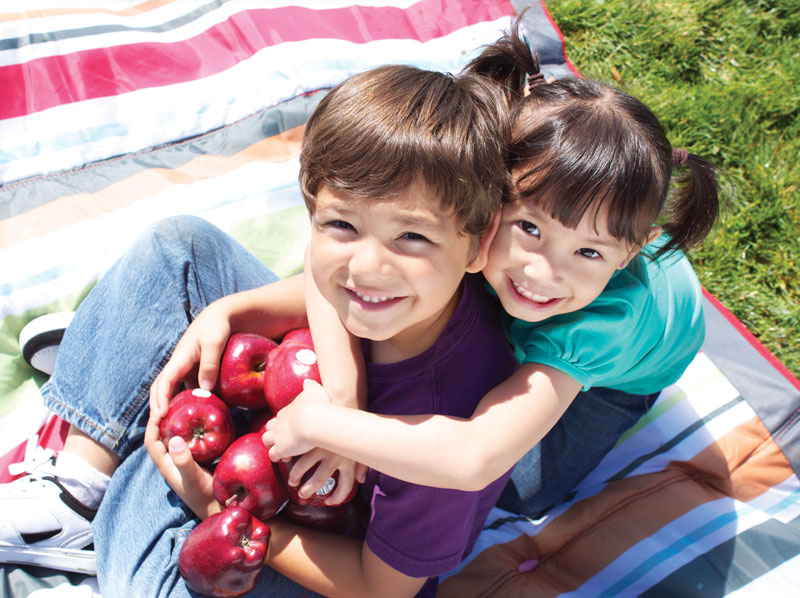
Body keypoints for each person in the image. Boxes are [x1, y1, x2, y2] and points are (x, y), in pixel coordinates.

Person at [0, 64, 517, 597]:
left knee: (155, 565)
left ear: (477, 247)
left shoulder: (442, 427)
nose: (367, 267)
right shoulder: (399, 290)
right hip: (283, 415)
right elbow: (324, 283)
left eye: (410, 237)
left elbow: (379, 588)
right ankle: (74, 495)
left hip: (323, 542)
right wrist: (225, 311)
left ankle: (125, 399)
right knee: (179, 249)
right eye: (342, 225)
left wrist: (220, 509)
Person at [264, 19, 725, 518]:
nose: (541, 272)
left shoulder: (602, 325)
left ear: (626, 256)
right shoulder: (471, 222)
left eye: (588, 251)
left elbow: (476, 457)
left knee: (519, 489)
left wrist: (321, 426)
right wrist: (343, 399)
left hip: (623, 372)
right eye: (529, 228)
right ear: (493, 196)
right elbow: (327, 257)